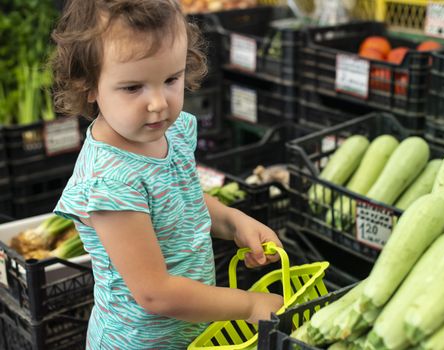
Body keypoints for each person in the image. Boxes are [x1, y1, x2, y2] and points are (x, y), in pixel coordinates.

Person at [51, 0, 284, 348]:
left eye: (171, 79)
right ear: (89, 84)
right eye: (133, 88)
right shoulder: (111, 180)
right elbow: (155, 293)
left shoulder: (165, 133)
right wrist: (248, 304)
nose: (159, 103)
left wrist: (233, 221)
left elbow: (182, 199)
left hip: (190, 331)